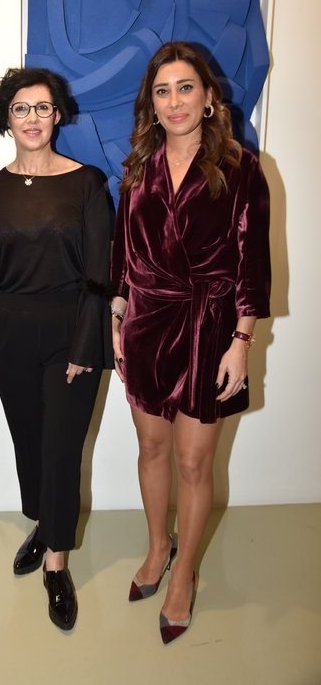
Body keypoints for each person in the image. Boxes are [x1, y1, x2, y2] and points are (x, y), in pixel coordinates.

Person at [111, 41, 270, 643]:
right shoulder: (137, 169)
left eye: (185, 88)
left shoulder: (241, 167)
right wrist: (117, 317)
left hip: (210, 327)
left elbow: (253, 264)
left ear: (207, 98)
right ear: (150, 105)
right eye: (162, 91)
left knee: (193, 461)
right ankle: (158, 548)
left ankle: (185, 575)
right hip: (146, 323)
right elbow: (123, 254)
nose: (174, 101)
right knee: (151, 448)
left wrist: (241, 340)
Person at [0, 67, 113, 630]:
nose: (32, 118)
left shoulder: (87, 183)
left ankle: (56, 562)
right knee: (28, 441)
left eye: (42, 107)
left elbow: (99, 274)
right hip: (8, 337)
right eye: (21, 108)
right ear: (7, 118)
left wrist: (86, 344)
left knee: (61, 448)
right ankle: (43, 521)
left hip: (71, 335)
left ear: (58, 115)